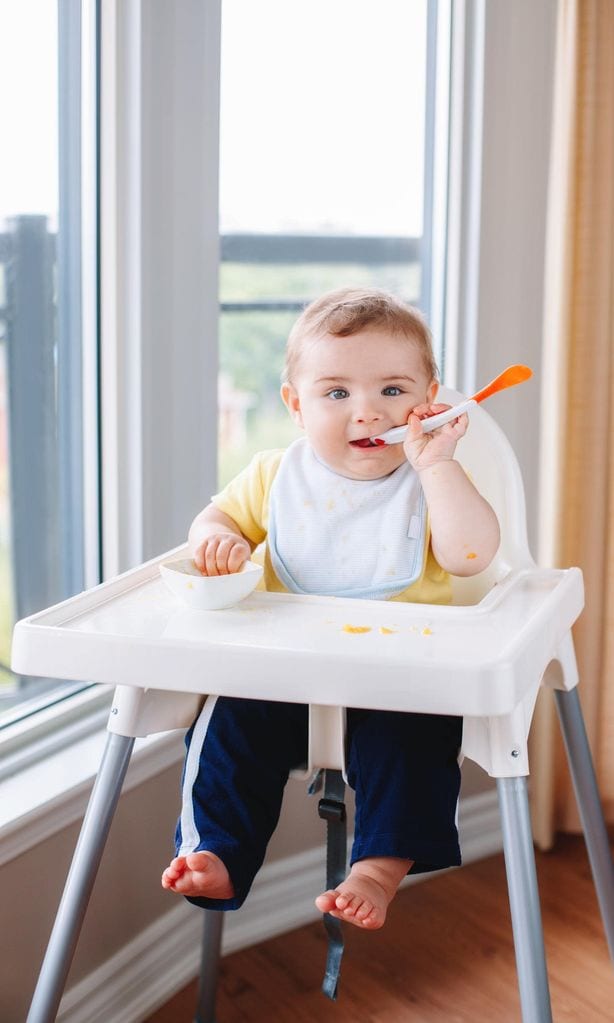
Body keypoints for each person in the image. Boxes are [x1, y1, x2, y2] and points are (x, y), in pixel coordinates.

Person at [161, 287, 500, 930]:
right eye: (337, 393)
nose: (368, 413)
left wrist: (439, 466)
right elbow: (216, 515)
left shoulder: (429, 482)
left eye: (393, 392)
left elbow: (471, 555)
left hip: (395, 682)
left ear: (431, 397)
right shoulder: (272, 476)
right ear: (296, 404)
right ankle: (215, 849)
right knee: (226, 723)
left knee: (417, 738)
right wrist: (215, 538)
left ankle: (377, 866)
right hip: (284, 678)